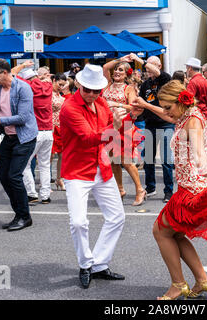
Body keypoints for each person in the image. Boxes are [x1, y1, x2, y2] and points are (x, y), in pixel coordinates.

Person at [60, 64, 144, 289]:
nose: (91, 94)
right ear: (78, 84)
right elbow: (89, 138)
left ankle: (98, 264)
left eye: (96, 90)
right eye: (87, 89)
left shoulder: (101, 103)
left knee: (117, 217)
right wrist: (115, 127)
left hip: (101, 166)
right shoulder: (69, 108)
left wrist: (130, 117)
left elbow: (111, 131)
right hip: (77, 171)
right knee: (78, 222)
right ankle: (86, 263)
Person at [150, 80, 207, 300]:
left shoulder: (193, 121)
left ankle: (178, 284)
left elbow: (199, 153)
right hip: (191, 186)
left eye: (169, 106)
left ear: (180, 101)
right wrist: (144, 104)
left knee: (160, 231)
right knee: (173, 233)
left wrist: (205, 173)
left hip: (196, 190)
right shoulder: (185, 115)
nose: (167, 112)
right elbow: (167, 115)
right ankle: (202, 281)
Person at [0, 58, 38, 232]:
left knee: (14, 176)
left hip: (24, 138)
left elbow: (23, 118)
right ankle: (18, 214)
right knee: (4, 178)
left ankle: (25, 217)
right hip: (8, 138)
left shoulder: (23, 88)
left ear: (5, 73)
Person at [102, 54, 146, 206]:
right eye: (116, 70)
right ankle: (120, 189)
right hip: (109, 125)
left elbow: (135, 106)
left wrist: (116, 104)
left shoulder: (128, 89)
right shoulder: (107, 84)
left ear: (126, 73)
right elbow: (105, 67)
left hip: (125, 126)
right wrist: (121, 59)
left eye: (120, 70)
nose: (116, 72)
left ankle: (140, 189)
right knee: (113, 161)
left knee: (126, 162)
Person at [131, 55, 175, 203]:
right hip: (150, 124)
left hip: (166, 123)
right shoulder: (145, 85)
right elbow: (142, 105)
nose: (147, 69)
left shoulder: (165, 79)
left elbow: (155, 72)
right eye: (146, 67)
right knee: (148, 159)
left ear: (159, 66)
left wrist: (139, 59)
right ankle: (150, 187)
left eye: (151, 66)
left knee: (166, 160)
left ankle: (168, 191)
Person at [11, 61, 55, 204]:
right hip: (48, 130)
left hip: (34, 131)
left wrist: (23, 65)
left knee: (25, 163)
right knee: (45, 164)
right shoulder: (48, 86)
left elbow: (11, 73)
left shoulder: (27, 86)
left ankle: (31, 193)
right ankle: (45, 195)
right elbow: (48, 79)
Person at [50, 73, 67, 192]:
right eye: (59, 84)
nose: (61, 87)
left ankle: (59, 179)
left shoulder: (60, 95)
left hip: (60, 126)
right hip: (50, 125)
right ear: (54, 81)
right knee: (49, 155)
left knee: (62, 154)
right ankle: (45, 181)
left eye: (63, 85)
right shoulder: (47, 94)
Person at [185, 57, 207, 128]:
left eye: (186, 68)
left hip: (197, 117)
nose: (186, 70)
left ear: (190, 68)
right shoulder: (205, 81)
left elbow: (187, 101)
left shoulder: (193, 82)